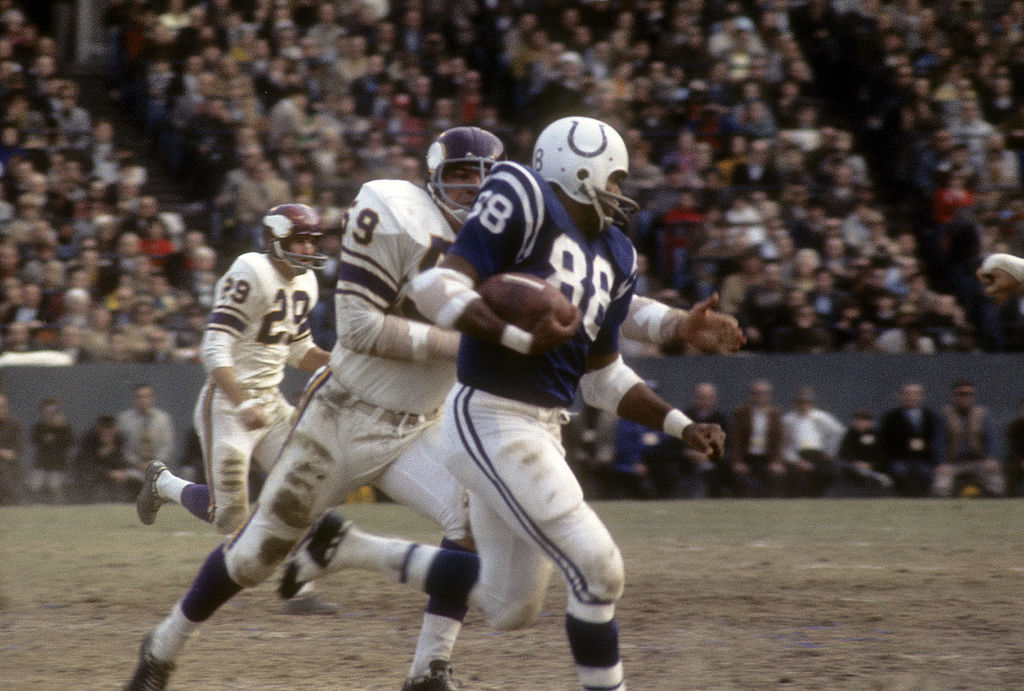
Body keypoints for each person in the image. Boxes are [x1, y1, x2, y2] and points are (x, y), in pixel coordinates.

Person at [125, 124, 741, 691]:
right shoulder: (397, 214)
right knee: (256, 554)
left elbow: (601, 299)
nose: (473, 189)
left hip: (424, 423)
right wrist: (482, 336)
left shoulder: (520, 233)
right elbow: (359, 327)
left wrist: (677, 324)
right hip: (344, 412)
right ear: (433, 179)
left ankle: (430, 666)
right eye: (459, 176)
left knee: (470, 527)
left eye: (484, 175)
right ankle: (163, 646)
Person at [133, 202, 333, 615]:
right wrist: (242, 403)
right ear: (275, 241)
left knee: (308, 490)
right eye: (300, 239)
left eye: (312, 239)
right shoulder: (251, 271)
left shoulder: (306, 282)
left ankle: (300, 589)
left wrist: (341, 362)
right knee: (228, 517)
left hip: (271, 405)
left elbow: (298, 350)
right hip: (229, 403)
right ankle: (164, 484)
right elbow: (213, 347)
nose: (308, 248)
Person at [933, 379, 1004, 497]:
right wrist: (941, 463)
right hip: (953, 462)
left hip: (978, 461)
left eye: (968, 394)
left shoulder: (982, 414)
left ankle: (993, 506)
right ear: (954, 396)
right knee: (941, 486)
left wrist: (992, 458)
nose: (964, 397)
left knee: (995, 481)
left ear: (973, 396)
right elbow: (938, 442)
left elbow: (992, 439)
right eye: (960, 394)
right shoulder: (945, 415)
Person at [780, 386, 846, 497]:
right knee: (792, 477)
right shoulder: (787, 420)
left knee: (826, 473)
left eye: (806, 402)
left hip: (818, 455)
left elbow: (839, 433)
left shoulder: (822, 417)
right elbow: (782, 445)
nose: (803, 405)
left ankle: (817, 500)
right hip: (797, 456)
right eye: (800, 402)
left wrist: (830, 452)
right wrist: (796, 461)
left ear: (811, 403)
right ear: (795, 403)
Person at [878, 382, 940, 497]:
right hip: (899, 459)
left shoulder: (930, 417)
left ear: (921, 397)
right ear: (900, 396)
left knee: (925, 472)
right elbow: (884, 443)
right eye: (907, 394)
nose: (910, 397)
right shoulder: (891, 417)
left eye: (914, 394)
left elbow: (936, 441)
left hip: (923, 459)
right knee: (899, 471)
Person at [727, 379, 785, 497]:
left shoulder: (775, 414)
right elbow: (735, 439)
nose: (760, 396)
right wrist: (737, 462)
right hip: (747, 457)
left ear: (769, 396)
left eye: (764, 393)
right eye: (756, 393)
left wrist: (777, 462)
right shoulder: (741, 412)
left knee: (777, 477)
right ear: (751, 395)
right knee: (739, 478)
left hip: (767, 457)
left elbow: (779, 440)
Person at [116, 383, 175, 473]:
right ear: (134, 399)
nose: (143, 400)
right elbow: (122, 447)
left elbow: (167, 446)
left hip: (159, 467)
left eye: (147, 397)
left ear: (153, 399)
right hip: (131, 467)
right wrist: (137, 464)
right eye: (139, 397)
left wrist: (153, 464)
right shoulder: (124, 420)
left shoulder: (163, 419)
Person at [28, 397, 75, 504]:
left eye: (53, 411)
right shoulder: (39, 427)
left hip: (58, 467)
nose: (50, 413)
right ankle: (33, 506)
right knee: (34, 484)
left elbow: (71, 443)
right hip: (41, 466)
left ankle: (58, 506)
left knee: (54, 484)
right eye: (47, 410)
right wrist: (48, 428)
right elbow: (35, 441)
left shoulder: (66, 428)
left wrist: (61, 428)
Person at [835, 409, 893, 497]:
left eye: (864, 421)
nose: (861, 423)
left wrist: (871, 465)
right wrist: (856, 463)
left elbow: (882, 454)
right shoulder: (849, 435)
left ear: (871, 422)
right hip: (853, 468)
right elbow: (844, 453)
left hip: (873, 468)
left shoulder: (876, 435)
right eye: (858, 420)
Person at [0, 392, 25, 505]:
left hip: (8, 465)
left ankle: (14, 501)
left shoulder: (14, 425)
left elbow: (15, 452)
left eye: (3, 407)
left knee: (4, 468)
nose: (2, 410)